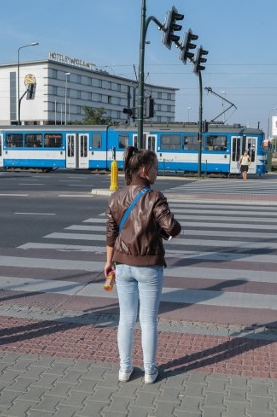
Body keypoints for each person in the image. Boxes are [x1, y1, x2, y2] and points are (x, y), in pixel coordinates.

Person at [105, 146, 181, 384]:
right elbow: (172, 228)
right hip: (149, 266)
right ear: (146, 170)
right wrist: (162, 230)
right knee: (148, 320)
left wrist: (108, 263)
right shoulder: (154, 197)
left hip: (122, 265)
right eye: (156, 168)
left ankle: (124, 370)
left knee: (125, 319)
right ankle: (149, 371)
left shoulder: (116, 197)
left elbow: (110, 233)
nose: (158, 172)